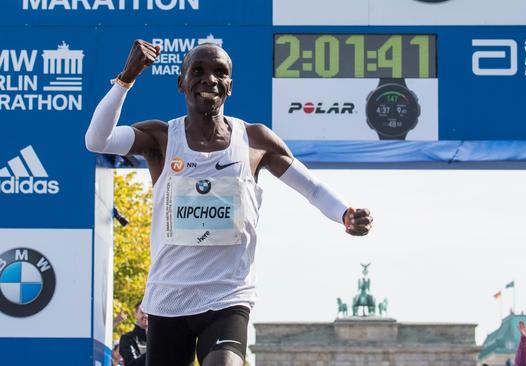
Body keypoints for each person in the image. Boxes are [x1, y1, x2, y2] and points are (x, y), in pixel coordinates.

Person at [85, 40, 373, 366]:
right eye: (198, 71)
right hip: (169, 298)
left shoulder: (255, 141)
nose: (210, 79)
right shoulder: (162, 139)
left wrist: (345, 213)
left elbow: (312, 188)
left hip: (227, 296)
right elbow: (97, 140)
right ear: (181, 82)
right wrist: (126, 79)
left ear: (230, 87)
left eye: (220, 73)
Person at [119, 301, 148, 366]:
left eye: (148, 313)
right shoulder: (127, 338)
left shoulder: (158, 340)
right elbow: (131, 364)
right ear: (135, 314)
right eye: (142, 312)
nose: (146, 315)